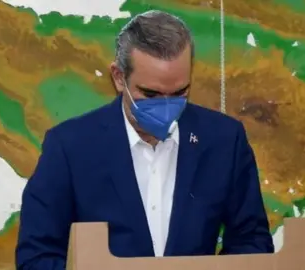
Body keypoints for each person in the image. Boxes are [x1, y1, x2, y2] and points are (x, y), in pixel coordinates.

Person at [15, 10, 274, 270]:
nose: (166, 106)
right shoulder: (69, 147)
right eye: (150, 94)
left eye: (179, 92)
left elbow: (252, 242)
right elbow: (36, 255)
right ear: (119, 77)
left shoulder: (225, 141)